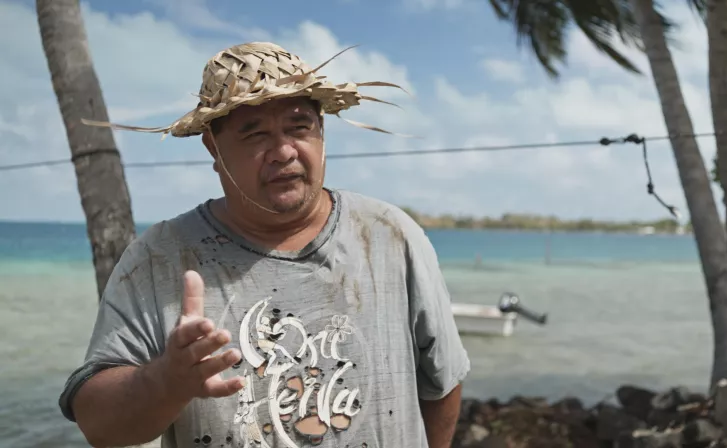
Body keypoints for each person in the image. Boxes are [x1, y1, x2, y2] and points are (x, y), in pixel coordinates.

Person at [59, 42, 470, 448]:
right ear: (213, 148)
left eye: (299, 127)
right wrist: (166, 381)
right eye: (255, 134)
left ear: (322, 131)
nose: (284, 152)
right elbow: (99, 426)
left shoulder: (390, 235)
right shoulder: (160, 257)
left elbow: (442, 383)